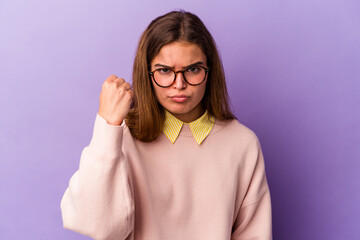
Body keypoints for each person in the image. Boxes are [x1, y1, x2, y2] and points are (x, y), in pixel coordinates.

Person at [60, 10, 272, 240]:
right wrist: (107, 124)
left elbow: (254, 234)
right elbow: (97, 225)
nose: (179, 84)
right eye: (164, 71)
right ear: (147, 73)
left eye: (193, 69)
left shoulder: (242, 143)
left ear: (209, 72)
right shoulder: (121, 137)